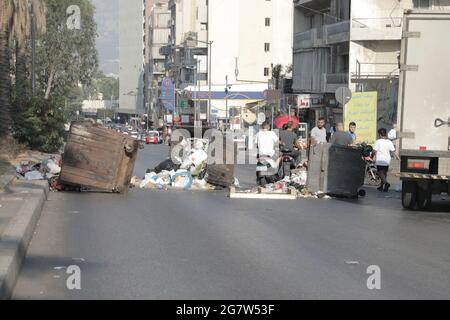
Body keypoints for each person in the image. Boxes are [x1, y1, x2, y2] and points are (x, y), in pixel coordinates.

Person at [373, 128, 397, 192]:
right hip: (387, 160)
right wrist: (397, 157)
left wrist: (372, 156)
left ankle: (386, 183)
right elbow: (393, 150)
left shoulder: (378, 141)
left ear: (380, 135)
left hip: (380, 160)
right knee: (384, 173)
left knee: (379, 172)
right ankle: (382, 187)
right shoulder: (389, 142)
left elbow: (374, 151)